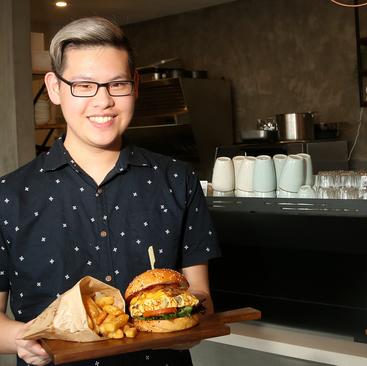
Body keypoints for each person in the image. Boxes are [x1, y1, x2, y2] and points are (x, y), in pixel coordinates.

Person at [0, 17, 220, 366]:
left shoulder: (178, 180)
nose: (103, 101)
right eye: (84, 85)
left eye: (116, 84)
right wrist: (22, 341)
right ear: (54, 88)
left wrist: (188, 325)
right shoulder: (9, 195)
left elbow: (201, 294)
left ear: (134, 86)